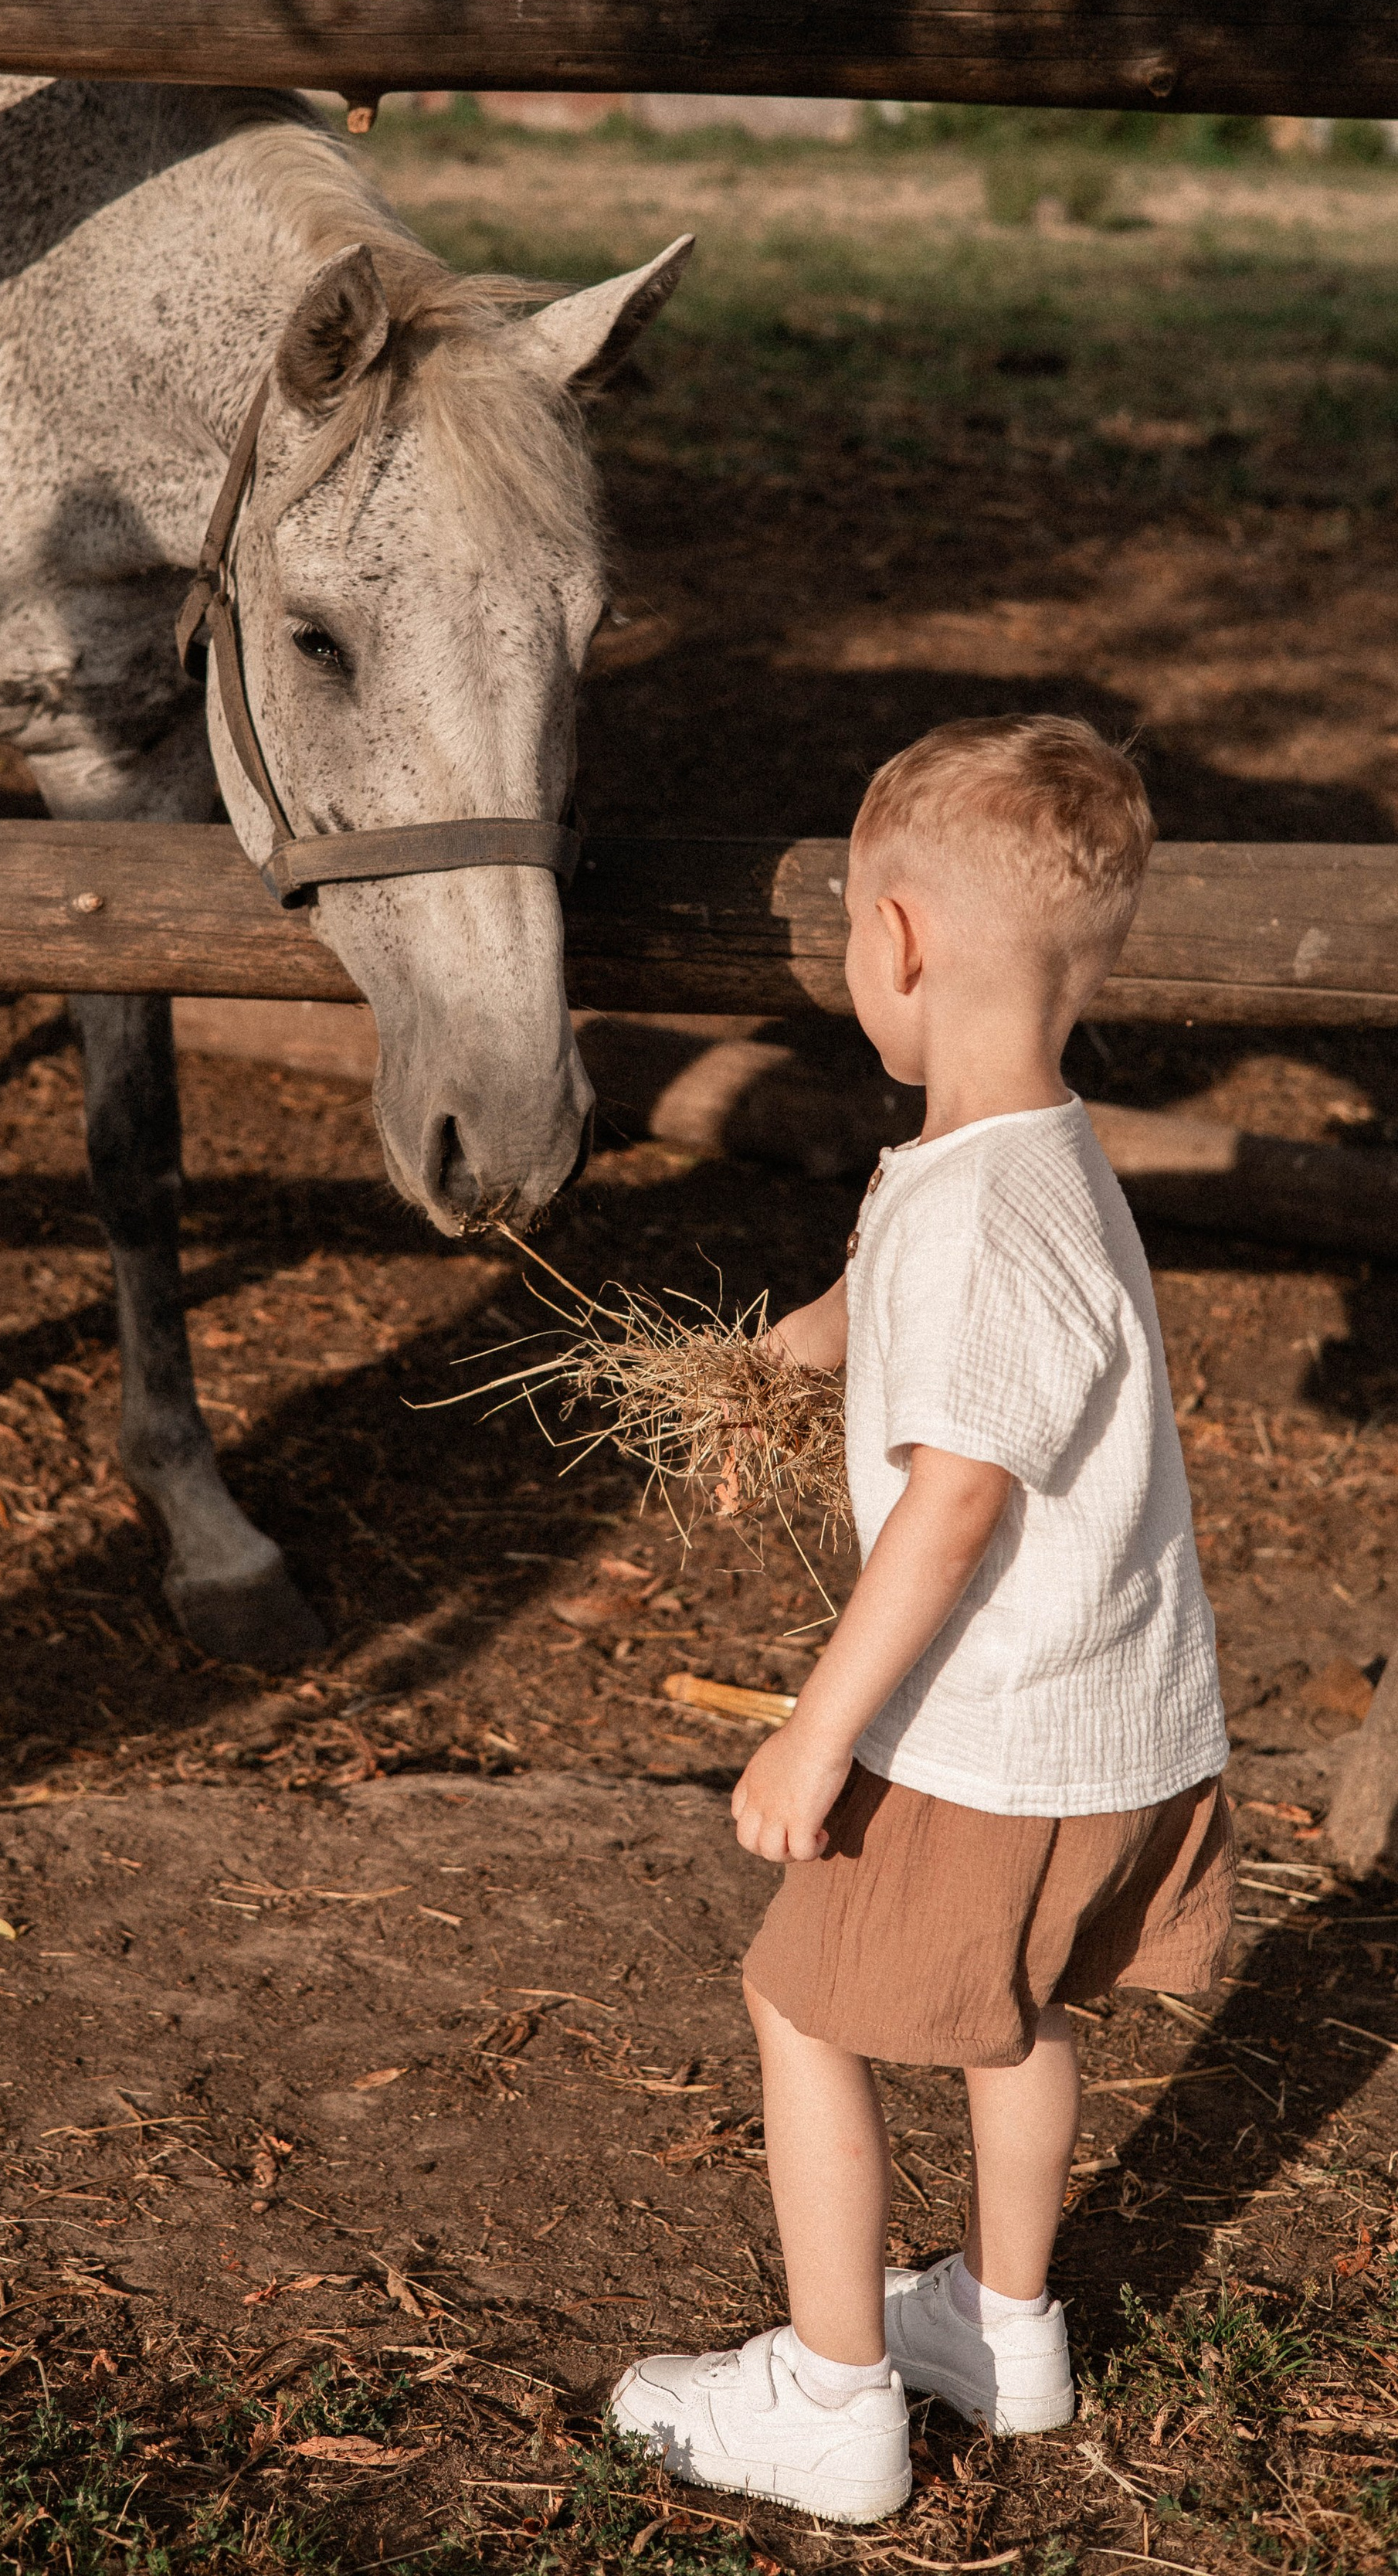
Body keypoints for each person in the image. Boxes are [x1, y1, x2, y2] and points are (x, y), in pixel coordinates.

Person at [611, 714, 1231, 2526]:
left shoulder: (973, 1214)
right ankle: (1004, 2328)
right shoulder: (1030, 1157)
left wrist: (818, 1726)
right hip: (1116, 1724)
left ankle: (830, 2400)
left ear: (892, 941)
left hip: (983, 1738)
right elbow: (894, 1286)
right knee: (1009, 2008)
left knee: (797, 2007)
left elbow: (954, 1498)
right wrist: (780, 1364)